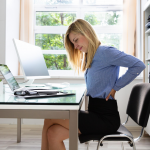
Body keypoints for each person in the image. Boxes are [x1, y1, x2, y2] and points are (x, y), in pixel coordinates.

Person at [41, 19, 146, 150]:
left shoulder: (105, 52)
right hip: (95, 113)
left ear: (86, 32)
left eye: (76, 40)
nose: (75, 46)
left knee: (50, 117)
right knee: (53, 133)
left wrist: (116, 87)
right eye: (73, 42)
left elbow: (138, 65)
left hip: (106, 118)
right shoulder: (90, 56)